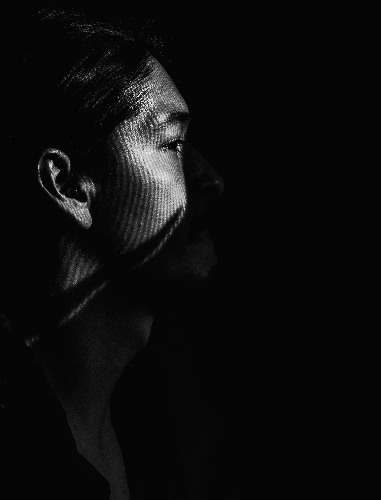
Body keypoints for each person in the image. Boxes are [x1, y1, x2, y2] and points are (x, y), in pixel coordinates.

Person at [0, 7, 231, 500]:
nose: (212, 179)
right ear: (69, 186)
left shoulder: (160, 426)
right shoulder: (17, 451)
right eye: (172, 143)